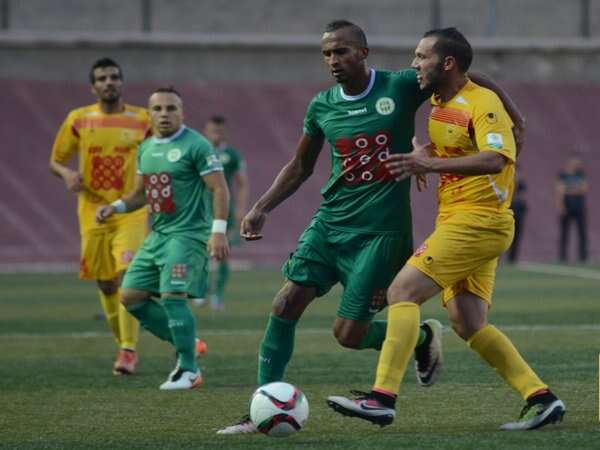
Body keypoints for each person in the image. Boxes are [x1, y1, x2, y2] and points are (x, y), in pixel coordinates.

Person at [217, 20, 524, 435]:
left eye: (341, 52)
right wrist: (261, 207)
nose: (333, 60)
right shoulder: (322, 106)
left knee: (347, 334)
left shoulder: (400, 85)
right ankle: (260, 407)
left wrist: (514, 120)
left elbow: (463, 77)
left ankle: (420, 338)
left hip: (381, 235)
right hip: (330, 223)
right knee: (285, 303)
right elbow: (301, 165)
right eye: (327, 54)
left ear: (363, 53)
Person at [327, 27, 565, 431]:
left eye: (422, 57)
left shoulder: (482, 103)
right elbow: (460, 138)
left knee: (402, 292)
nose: (414, 63)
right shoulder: (440, 101)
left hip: (479, 220)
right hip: (460, 220)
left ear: (448, 63)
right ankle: (541, 398)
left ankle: (381, 398)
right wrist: (427, 152)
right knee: (468, 322)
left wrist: (430, 164)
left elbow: (495, 159)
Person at [96, 87, 230, 390]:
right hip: (158, 235)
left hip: (187, 235)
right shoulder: (146, 148)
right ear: (149, 114)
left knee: (173, 296)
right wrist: (114, 207)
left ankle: (189, 370)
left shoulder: (197, 145)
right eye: (158, 109)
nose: (164, 114)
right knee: (130, 296)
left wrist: (218, 231)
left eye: (171, 108)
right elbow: (140, 194)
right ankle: (187, 342)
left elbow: (219, 188)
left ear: (182, 113)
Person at [50, 58, 150, 376]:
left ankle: (128, 350)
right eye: (102, 78)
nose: (109, 82)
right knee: (106, 283)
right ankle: (124, 343)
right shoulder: (78, 119)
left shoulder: (143, 120)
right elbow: (56, 160)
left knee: (127, 277)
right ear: (93, 87)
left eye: (114, 77)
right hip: (92, 211)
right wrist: (67, 174)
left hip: (131, 209)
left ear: (122, 82)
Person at [193, 115, 248, 310]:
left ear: (224, 132)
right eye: (212, 130)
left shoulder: (232, 155)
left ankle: (217, 295)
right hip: (200, 210)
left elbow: (242, 183)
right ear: (206, 131)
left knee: (222, 254)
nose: (216, 134)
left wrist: (241, 208)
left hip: (224, 211)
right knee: (199, 252)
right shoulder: (198, 152)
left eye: (219, 130)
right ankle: (201, 290)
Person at [557, 157, 588, 262]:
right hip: (567, 207)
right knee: (564, 233)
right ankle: (562, 256)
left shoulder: (581, 174)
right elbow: (559, 191)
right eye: (576, 162)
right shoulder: (563, 175)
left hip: (579, 207)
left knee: (582, 233)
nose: (578, 164)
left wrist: (567, 190)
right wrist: (561, 205)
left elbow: (583, 189)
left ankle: (583, 256)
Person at [508, 171, 527, 263]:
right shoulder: (508, 180)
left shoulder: (521, 183)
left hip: (518, 211)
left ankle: (512, 258)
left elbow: (523, 197)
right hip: (510, 209)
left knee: (516, 235)